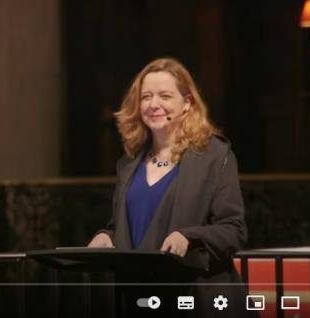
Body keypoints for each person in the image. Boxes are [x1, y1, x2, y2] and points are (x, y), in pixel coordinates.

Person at [88, 57, 253, 317]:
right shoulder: (129, 163)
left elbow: (233, 230)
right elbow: (125, 226)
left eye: (165, 96)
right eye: (146, 97)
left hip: (196, 300)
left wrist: (188, 236)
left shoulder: (214, 155)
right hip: (140, 300)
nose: (154, 105)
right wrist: (106, 236)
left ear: (187, 103)